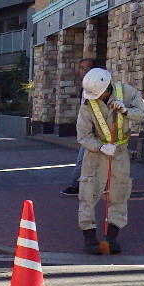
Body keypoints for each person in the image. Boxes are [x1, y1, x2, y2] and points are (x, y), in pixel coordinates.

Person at [76, 67, 144, 254]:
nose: (96, 98)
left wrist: (126, 111)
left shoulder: (128, 93)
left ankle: (112, 238)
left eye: (100, 94)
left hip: (120, 152)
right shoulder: (88, 102)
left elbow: (143, 114)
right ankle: (89, 239)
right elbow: (83, 136)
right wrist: (100, 147)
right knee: (88, 192)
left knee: (119, 192)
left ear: (108, 88)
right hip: (95, 154)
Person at [61, 58, 99, 196]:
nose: (85, 71)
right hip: (87, 128)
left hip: (95, 129)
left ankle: (75, 186)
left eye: (88, 68)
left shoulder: (98, 87)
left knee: (83, 158)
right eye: (82, 68)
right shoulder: (84, 88)